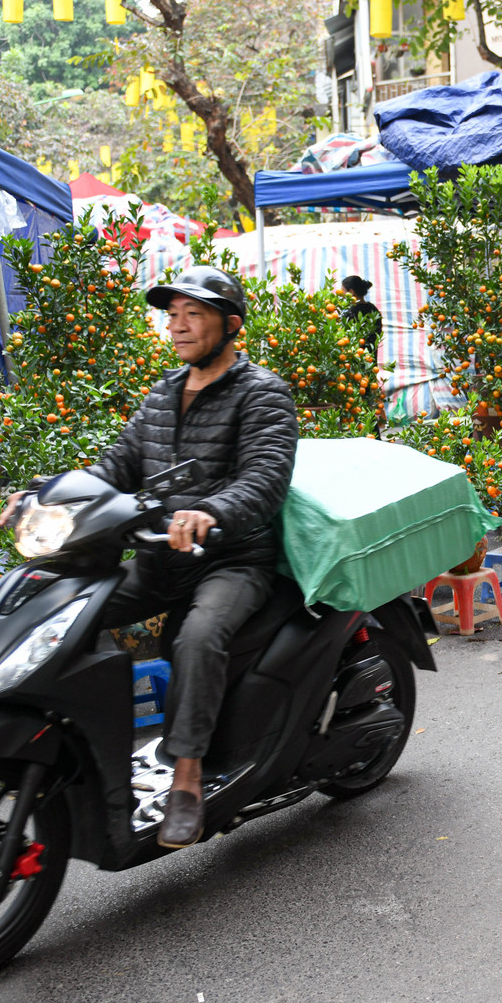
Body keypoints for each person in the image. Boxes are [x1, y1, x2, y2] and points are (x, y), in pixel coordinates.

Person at [88, 265, 299, 847]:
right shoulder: (162, 394)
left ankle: (187, 780)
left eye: (194, 314)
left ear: (230, 325)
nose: (177, 326)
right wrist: (50, 495)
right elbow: (118, 465)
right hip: (160, 558)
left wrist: (211, 511)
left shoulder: (263, 393)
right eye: (173, 315)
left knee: (198, 636)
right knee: (71, 608)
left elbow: (265, 478)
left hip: (232, 561)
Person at [339, 274, 382, 353]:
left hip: (354, 356)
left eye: (343, 291)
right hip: (370, 356)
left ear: (351, 292)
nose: (341, 295)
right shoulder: (373, 309)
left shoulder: (351, 313)